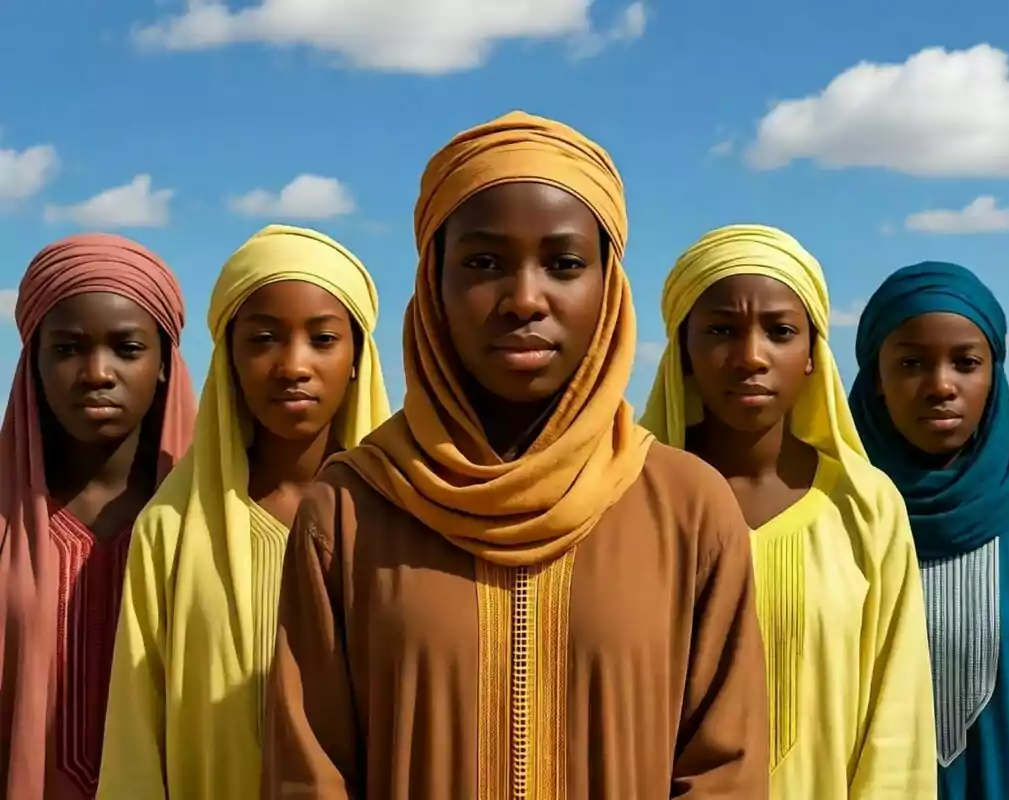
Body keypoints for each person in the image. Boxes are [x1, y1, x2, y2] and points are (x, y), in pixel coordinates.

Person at [261, 111, 769, 798]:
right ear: (433, 283)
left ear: (610, 287)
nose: (524, 299)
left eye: (563, 264)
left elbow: (726, 773)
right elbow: (307, 773)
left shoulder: (688, 507)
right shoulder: (351, 509)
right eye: (483, 263)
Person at [640, 223, 936, 798]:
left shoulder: (866, 507)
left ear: (811, 354)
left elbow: (896, 720)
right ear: (683, 352)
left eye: (779, 331)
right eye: (721, 330)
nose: (751, 356)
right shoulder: (631, 503)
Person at [97, 225, 391, 800]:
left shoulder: (410, 523)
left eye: (323, 339)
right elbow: (135, 739)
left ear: (358, 356)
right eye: (262, 340)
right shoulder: (171, 531)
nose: (293, 365)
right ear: (228, 359)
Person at [847, 262, 1009, 799]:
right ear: (876, 379)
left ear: (994, 376)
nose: (941, 386)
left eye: (966, 363)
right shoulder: (833, 519)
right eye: (912, 363)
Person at [0, 234, 196, 799]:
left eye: (127, 348)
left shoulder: (211, 524)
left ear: (164, 362)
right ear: (32, 363)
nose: (96, 373)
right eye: (67, 349)